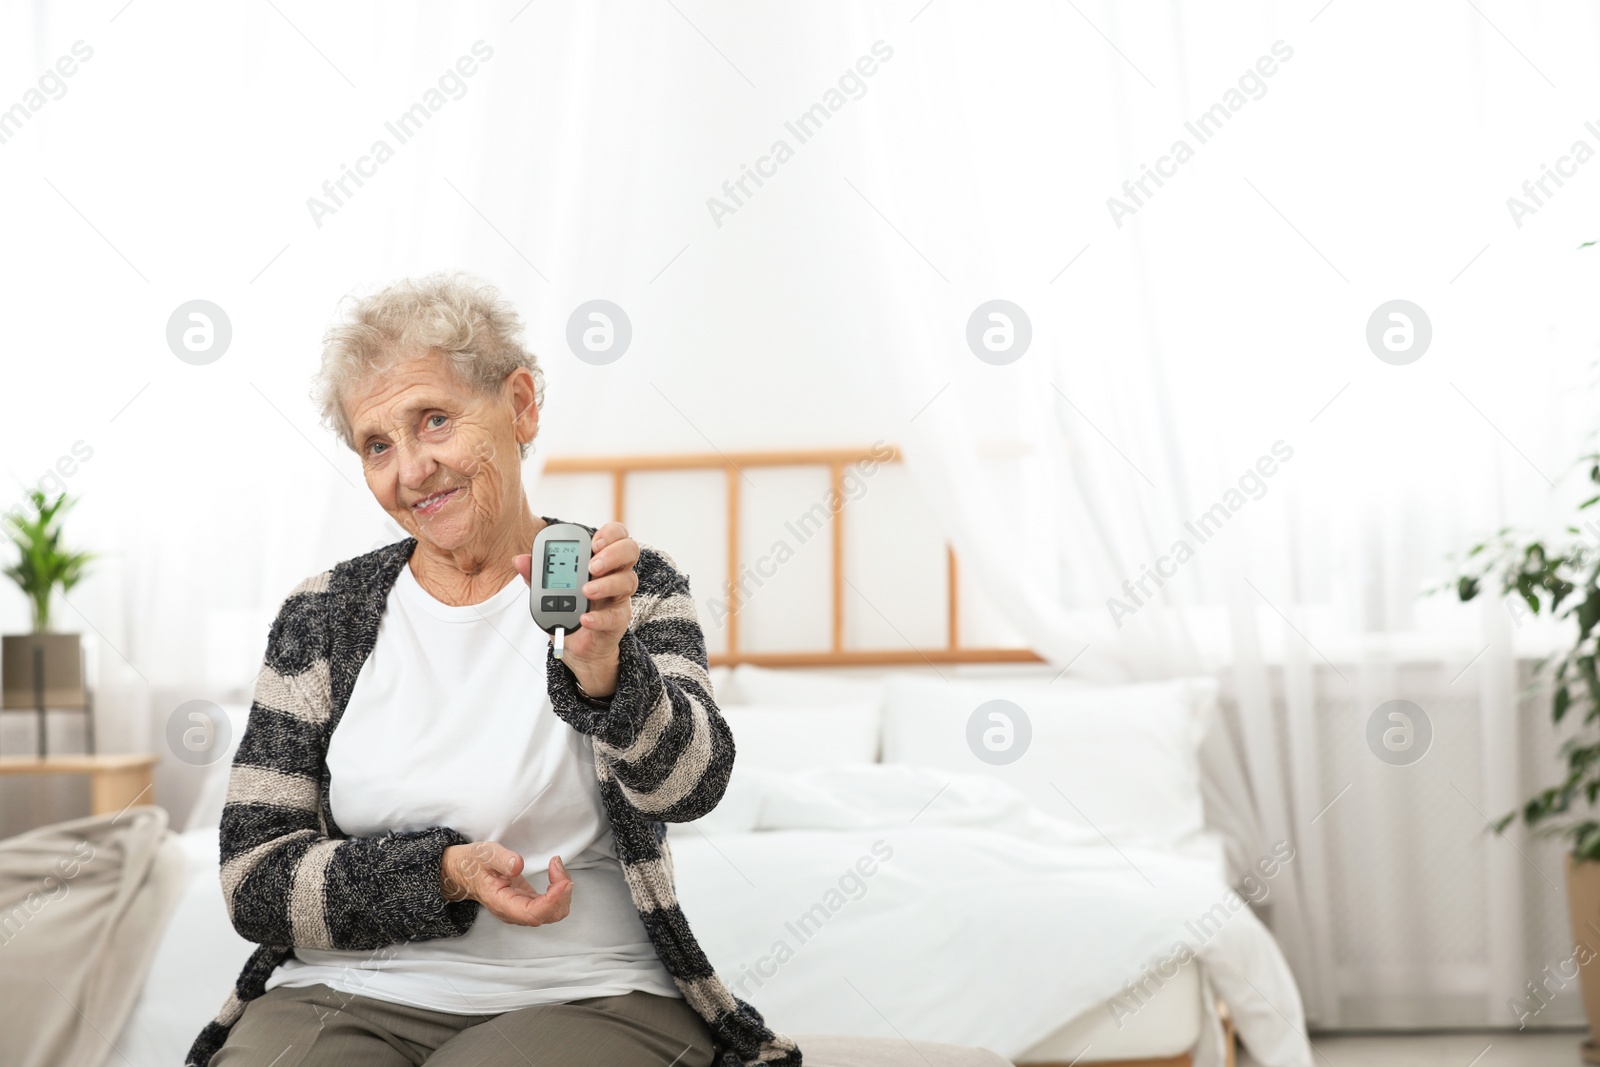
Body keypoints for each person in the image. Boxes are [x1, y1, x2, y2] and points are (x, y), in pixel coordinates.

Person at [185, 273, 800, 1067]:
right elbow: (254, 876)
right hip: (345, 996)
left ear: (520, 405)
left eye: (433, 420)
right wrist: (444, 873)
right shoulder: (322, 615)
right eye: (378, 444)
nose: (410, 470)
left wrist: (609, 673)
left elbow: (694, 785)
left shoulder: (628, 587)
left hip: (589, 991)